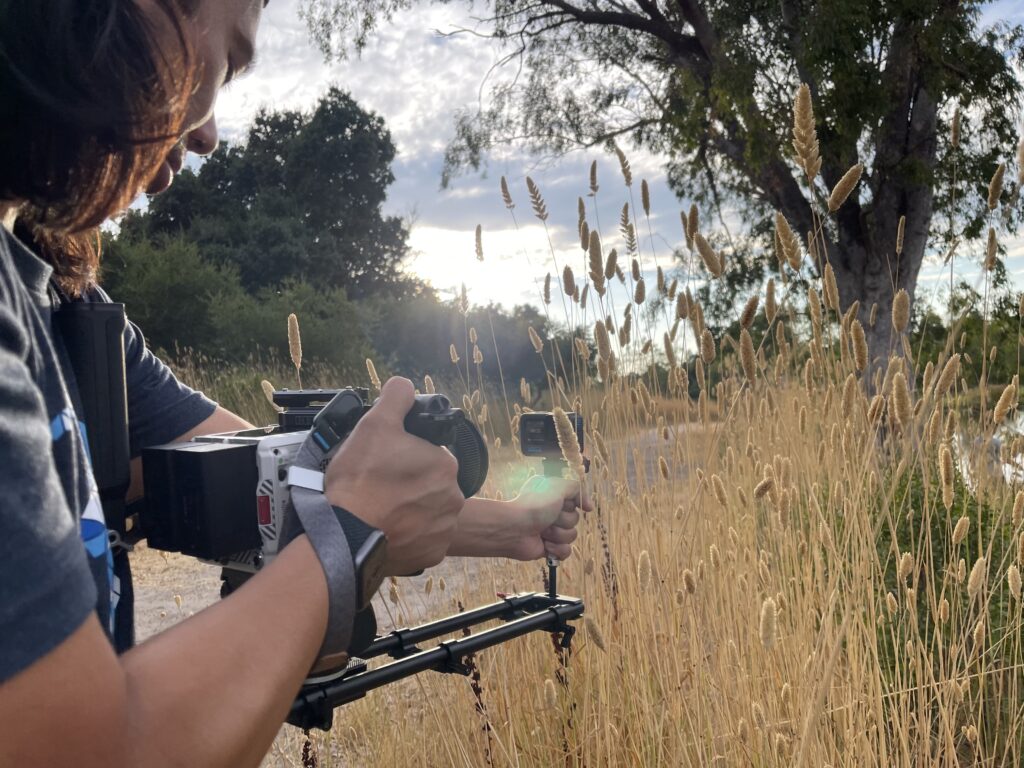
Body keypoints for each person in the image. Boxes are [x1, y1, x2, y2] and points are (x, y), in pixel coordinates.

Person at [0, 1, 590, 765]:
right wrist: (343, 545)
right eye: (231, 61)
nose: (210, 133)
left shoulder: (67, 311)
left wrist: (509, 526)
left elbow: (272, 481)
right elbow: (85, 750)